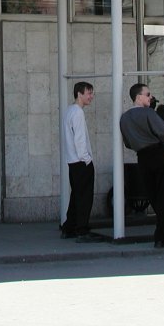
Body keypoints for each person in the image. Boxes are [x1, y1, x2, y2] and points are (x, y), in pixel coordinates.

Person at [119, 83, 164, 248]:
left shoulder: (124, 118)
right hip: (158, 154)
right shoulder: (148, 113)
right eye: (148, 94)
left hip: (142, 158)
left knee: (155, 197)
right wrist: (160, 141)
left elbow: (127, 143)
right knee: (163, 196)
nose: (150, 97)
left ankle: (162, 237)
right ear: (138, 97)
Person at [60, 81, 102, 242]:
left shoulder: (69, 111)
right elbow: (79, 139)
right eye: (89, 93)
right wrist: (86, 159)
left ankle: (69, 226)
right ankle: (81, 228)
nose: (91, 96)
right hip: (81, 161)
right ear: (79, 94)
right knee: (85, 197)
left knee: (76, 196)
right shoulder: (78, 112)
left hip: (72, 161)